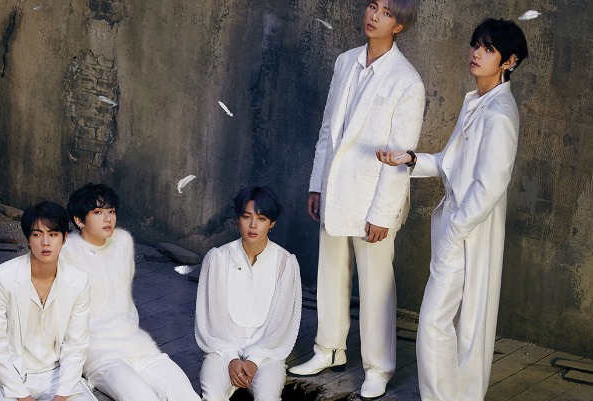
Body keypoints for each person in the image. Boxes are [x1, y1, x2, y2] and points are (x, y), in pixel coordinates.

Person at [376, 18, 528, 401]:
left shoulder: (499, 113)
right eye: (476, 44)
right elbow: (450, 162)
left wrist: (454, 232)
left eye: (489, 49)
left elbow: (490, 186)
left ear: (509, 61)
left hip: (466, 232)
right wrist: (410, 159)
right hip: (455, 226)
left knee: (437, 321)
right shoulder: (476, 101)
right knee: (449, 321)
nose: (477, 53)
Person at [288, 0, 425, 398]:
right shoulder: (345, 61)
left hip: (374, 199)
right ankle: (328, 349)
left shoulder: (407, 81)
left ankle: (378, 367)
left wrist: (382, 212)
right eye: (372, 6)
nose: (374, 16)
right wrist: (317, 184)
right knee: (330, 273)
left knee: (376, 287)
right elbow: (328, 127)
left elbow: (400, 155)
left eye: (386, 12)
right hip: (335, 189)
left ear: (398, 25)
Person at [60, 183, 199, 401]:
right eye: (98, 212)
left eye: (111, 211)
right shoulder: (66, 251)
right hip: (100, 353)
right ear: (79, 220)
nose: (108, 218)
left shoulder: (123, 241)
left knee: (185, 395)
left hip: (138, 344)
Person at [0, 201, 96, 401]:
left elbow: (76, 345)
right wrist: (23, 396)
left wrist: (62, 394)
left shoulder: (78, 281)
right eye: (37, 234)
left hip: (56, 375)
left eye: (53, 234)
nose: (45, 242)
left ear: (64, 238)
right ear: (28, 239)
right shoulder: (0, 278)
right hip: (8, 376)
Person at [195, 186, 302, 401]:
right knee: (212, 395)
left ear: (272, 223)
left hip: (267, 354)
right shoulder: (218, 259)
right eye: (247, 217)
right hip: (221, 351)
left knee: (268, 397)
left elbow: (282, 325)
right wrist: (231, 358)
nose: (253, 225)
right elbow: (211, 322)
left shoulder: (285, 263)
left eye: (261, 219)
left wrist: (254, 360)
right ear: (238, 220)